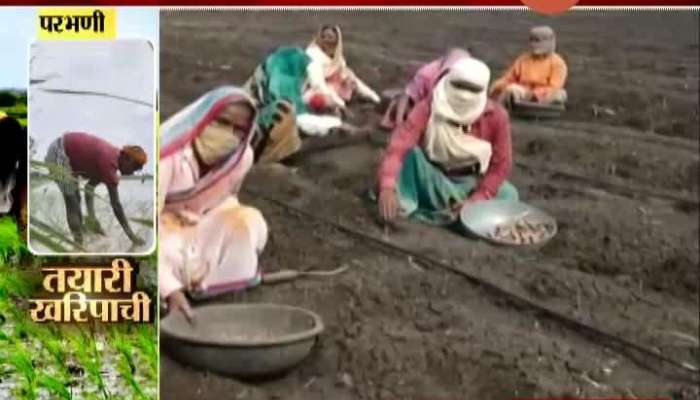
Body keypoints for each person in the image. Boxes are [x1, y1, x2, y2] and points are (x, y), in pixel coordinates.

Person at [159, 86, 268, 322]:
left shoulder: (242, 157)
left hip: (196, 222)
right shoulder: (168, 157)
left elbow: (226, 198)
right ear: (204, 118)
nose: (229, 135)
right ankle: (169, 287)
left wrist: (209, 221)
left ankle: (204, 280)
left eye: (239, 129)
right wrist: (171, 290)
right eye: (221, 122)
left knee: (248, 221)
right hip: (157, 226)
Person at [377, 58, 518, 227]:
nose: (464, 95)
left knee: (509, 195)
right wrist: (387, 186)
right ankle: (428, 209)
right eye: (459, 86)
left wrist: (478, 197)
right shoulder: (429, 106)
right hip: (432, 176)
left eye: (472, 90)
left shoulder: (496, 116)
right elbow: (399, 146)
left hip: (470, 181)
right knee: (409, 157)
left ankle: (452, 210)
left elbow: (501, 165)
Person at [44, 132, 146, 247]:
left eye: (136, 170)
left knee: (76, 198)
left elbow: (89, 188)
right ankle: (78, 245)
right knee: (72, 201)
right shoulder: (108, 162)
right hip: (58, 152)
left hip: (69, 158)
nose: (132, 173)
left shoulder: (111, 159)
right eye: (134, 168)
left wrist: (92, 218)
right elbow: (116, 205)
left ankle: (82, 232)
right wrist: (132, 237)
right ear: (127, 158)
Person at [381, 48, 471, 131]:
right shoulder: (426, 75)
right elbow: (407, 95)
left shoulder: (471, 77)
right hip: (426, 102)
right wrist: (399, 122)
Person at [303, 25, 381, 113]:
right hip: (312, 90)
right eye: (323, 37)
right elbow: (317, 84)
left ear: (337, 40)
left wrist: (373, 96)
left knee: (349, 76)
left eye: (330, 37)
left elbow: (350, 77)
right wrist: (339, 103)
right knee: (320, 99)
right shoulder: (313, 56)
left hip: (331, 87)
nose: (326, 40)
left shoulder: (337, 58)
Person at [489, 26, 568, 107]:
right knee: (509, 89)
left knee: (559, 95)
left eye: (538, 41)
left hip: (544, 95)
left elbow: (554, 87)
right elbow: (509, 78)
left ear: (550, 42)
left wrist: (535, 94)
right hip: (523, 92)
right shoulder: (523, 59)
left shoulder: (558, 63)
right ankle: (496, 110)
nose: (534, 45)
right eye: (532, 40)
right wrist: (498, 85)